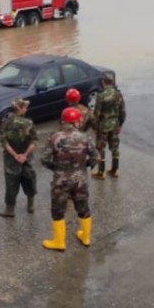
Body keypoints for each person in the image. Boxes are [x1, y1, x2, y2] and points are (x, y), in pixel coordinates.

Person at [40, 108, 99, 252]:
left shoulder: (54, 137)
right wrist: (83, 167)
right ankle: (85, 237)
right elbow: (95, 157)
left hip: (60, 180)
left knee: (58, 210)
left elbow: (44, 159)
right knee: (83, 208)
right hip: (80, 179)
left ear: (63, 120)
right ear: (77, 121)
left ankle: (59, 242)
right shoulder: (85, 137)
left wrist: (56, 168)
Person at [0, 98, 38, 217]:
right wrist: (24, 155)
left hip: (11, 160)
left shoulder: (5, 123)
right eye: (25, 107)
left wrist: (15, 155)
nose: (27, 109)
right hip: (26, 158)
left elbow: (4, 142)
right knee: (30, 179)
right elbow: (34, 142)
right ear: (19, 108)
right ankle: (30, 206)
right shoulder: (29, 123)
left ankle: (10, 210)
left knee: (11, 183)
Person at [92, 74, 126, 178]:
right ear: (112, 82)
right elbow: (123, 111)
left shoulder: (101, 96)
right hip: (115, 124)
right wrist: (120, 124)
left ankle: (101, 172)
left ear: (103, 82)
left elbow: (96, 114)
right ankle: (115, 170)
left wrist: (94, 127)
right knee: (115, 147)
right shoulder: (118, 94)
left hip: (103, 125)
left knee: (101, 148)